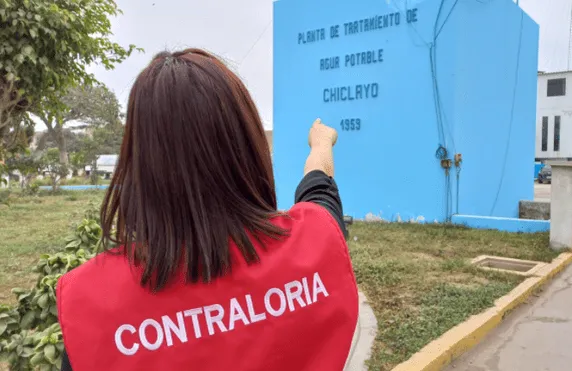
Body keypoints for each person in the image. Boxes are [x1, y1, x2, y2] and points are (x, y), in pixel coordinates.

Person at [56, 49, 359, 371]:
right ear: (246, 143)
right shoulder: (315, 242)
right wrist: (322, 142)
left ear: (140, 160)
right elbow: (318, 181)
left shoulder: (91, 308)